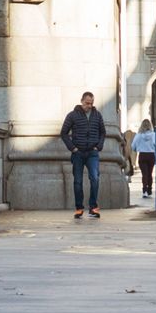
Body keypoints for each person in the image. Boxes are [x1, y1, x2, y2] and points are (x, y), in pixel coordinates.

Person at [59, 91, 108, 221]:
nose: (89, 106)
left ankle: (93, 207)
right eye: (87, 103)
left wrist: (99, 146)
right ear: (81, 101)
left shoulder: (97, 115)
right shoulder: (72, 115)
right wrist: (72, 148)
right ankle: (79, 208)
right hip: (78, 153)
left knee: (95, 178)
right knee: (78, 182)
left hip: (92, 152)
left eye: (91, 103)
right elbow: (63, 133)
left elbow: (103, 132)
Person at [133, 118, 156, 197]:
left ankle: (144, 191)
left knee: (144, 174)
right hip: (151, 155)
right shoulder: (153, 134)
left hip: (142, 155)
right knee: (150, 173)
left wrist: (136, 149)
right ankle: (150, 190)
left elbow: (133, 145)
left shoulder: (139, 135)